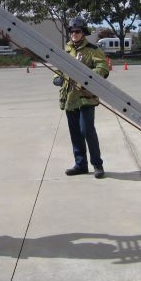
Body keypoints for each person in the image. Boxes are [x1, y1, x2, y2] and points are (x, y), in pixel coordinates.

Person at [53, 16, 109, 179]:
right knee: (75, 133)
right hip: (70, 97)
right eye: (72, 31)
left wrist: (88, 78)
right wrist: (57, 78)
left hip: (85, 97)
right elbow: (60, 69)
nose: (74, 34)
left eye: (77, 31)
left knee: (87, 130)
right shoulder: (67, 49)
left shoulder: (92, 49)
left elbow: (103, 68)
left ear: (83, 32)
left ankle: (97, 165)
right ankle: (80, 164)